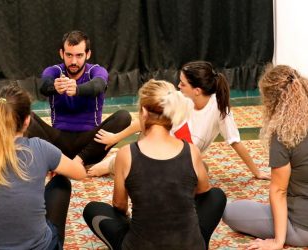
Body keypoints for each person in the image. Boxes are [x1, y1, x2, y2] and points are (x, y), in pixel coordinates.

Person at [83, 79, 227, 249]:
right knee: (216, 196)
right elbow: (203, 192)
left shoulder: (126, 154)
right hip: (188, 244)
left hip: (140, 245)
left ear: (144, 112)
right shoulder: (192, 151)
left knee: (92, 209)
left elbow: (119, 205)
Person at [89, 61, 270, 180]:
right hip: (156, 148)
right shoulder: (179, 98)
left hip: (181, 157)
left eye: (183, 83)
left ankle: (128, 163)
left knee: (200, 170)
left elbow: (235, 142)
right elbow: (144, 121)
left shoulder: (219, 109)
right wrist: (115, 138)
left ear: (197, 90)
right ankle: (114, 163)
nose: (178, 86)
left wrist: (257, 173)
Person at [0, 84, 87, 249]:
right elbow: (80, 173)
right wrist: (56, 165)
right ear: (27, 120)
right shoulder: (41, 148)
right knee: (62, 182)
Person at [222, 65, 308, 249]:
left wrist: (278, 241)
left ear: (271, 100)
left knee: (231, 211)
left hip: (302, 228)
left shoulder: (284, 134)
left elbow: (279, 191)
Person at [26, 30, 131, 171]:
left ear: (88, 54)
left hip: (90, 145)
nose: (73, 61)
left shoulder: (96, 71)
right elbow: (44, 86)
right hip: (57, 142)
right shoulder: (54, 71)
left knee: (124, 116)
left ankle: (77, 160)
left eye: (79, 55)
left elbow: (98, 86)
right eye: (69, 55)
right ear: (61, 53)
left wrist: (77, 89)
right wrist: (54, 87)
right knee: (20, 114)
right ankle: (59, 159)